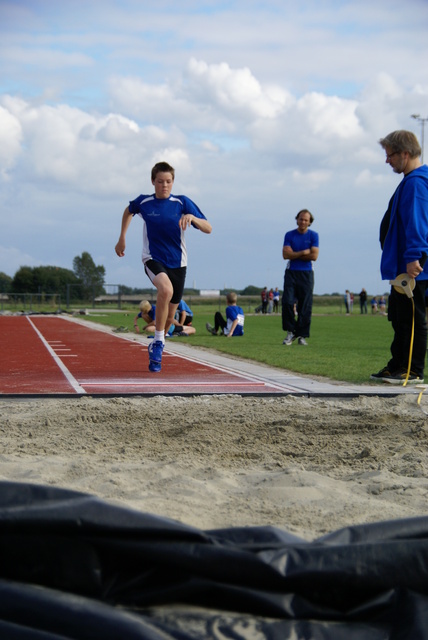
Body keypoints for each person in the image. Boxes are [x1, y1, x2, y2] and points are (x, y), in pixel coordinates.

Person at [115, 161, 212, 372]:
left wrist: (192, 217)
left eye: (168, 181)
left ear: (173, 182)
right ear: (153, 181)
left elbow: (208, 228)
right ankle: (159, 343)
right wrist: (122, 237)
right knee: (165, 290)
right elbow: (128, 211)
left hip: (178, 263)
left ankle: (156, 344)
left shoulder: (182, 202)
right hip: (153, 258)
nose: (164, 186)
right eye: (160, 182)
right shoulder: (145, 202)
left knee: (169, 318)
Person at [371, 130, 428, 384]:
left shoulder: (416, 183)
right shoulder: (410, 181)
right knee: (398, 316)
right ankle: (397, 366)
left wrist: (414, 256)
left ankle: (412, 370)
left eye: (390, 155)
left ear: (405, 154)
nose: (387, 161)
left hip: (413, 268)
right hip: (401, 266)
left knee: (412, 318)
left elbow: (418, 222)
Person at [282, 209, 319, 346]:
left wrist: (294, 253)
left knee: (305, 305)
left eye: (306, 220)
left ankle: (302, 335)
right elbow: (286, 255)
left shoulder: (314, 236)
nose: (303, 222)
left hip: (307, 273)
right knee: (287, 302)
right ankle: (290, 331)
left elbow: (314, 256)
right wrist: (304, 252)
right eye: (301, 219)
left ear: (309, 222)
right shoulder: (289, 235)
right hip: (291, 271)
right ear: (297, 219)